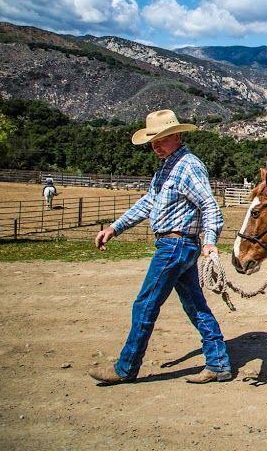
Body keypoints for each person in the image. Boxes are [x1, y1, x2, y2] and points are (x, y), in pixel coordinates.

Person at [90, 109, 231, 385]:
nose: (156, 145)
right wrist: (114, 227)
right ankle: (218, 363)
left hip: (175, 246)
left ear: (176, 135)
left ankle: (125, 368)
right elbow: (148, 203)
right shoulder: (168, 166)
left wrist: (211, 240)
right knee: (196, 307)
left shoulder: (188, 166)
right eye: (152, 140)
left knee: (145, 304)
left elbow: (210, 206)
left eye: (162, 138)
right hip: (178, 246)